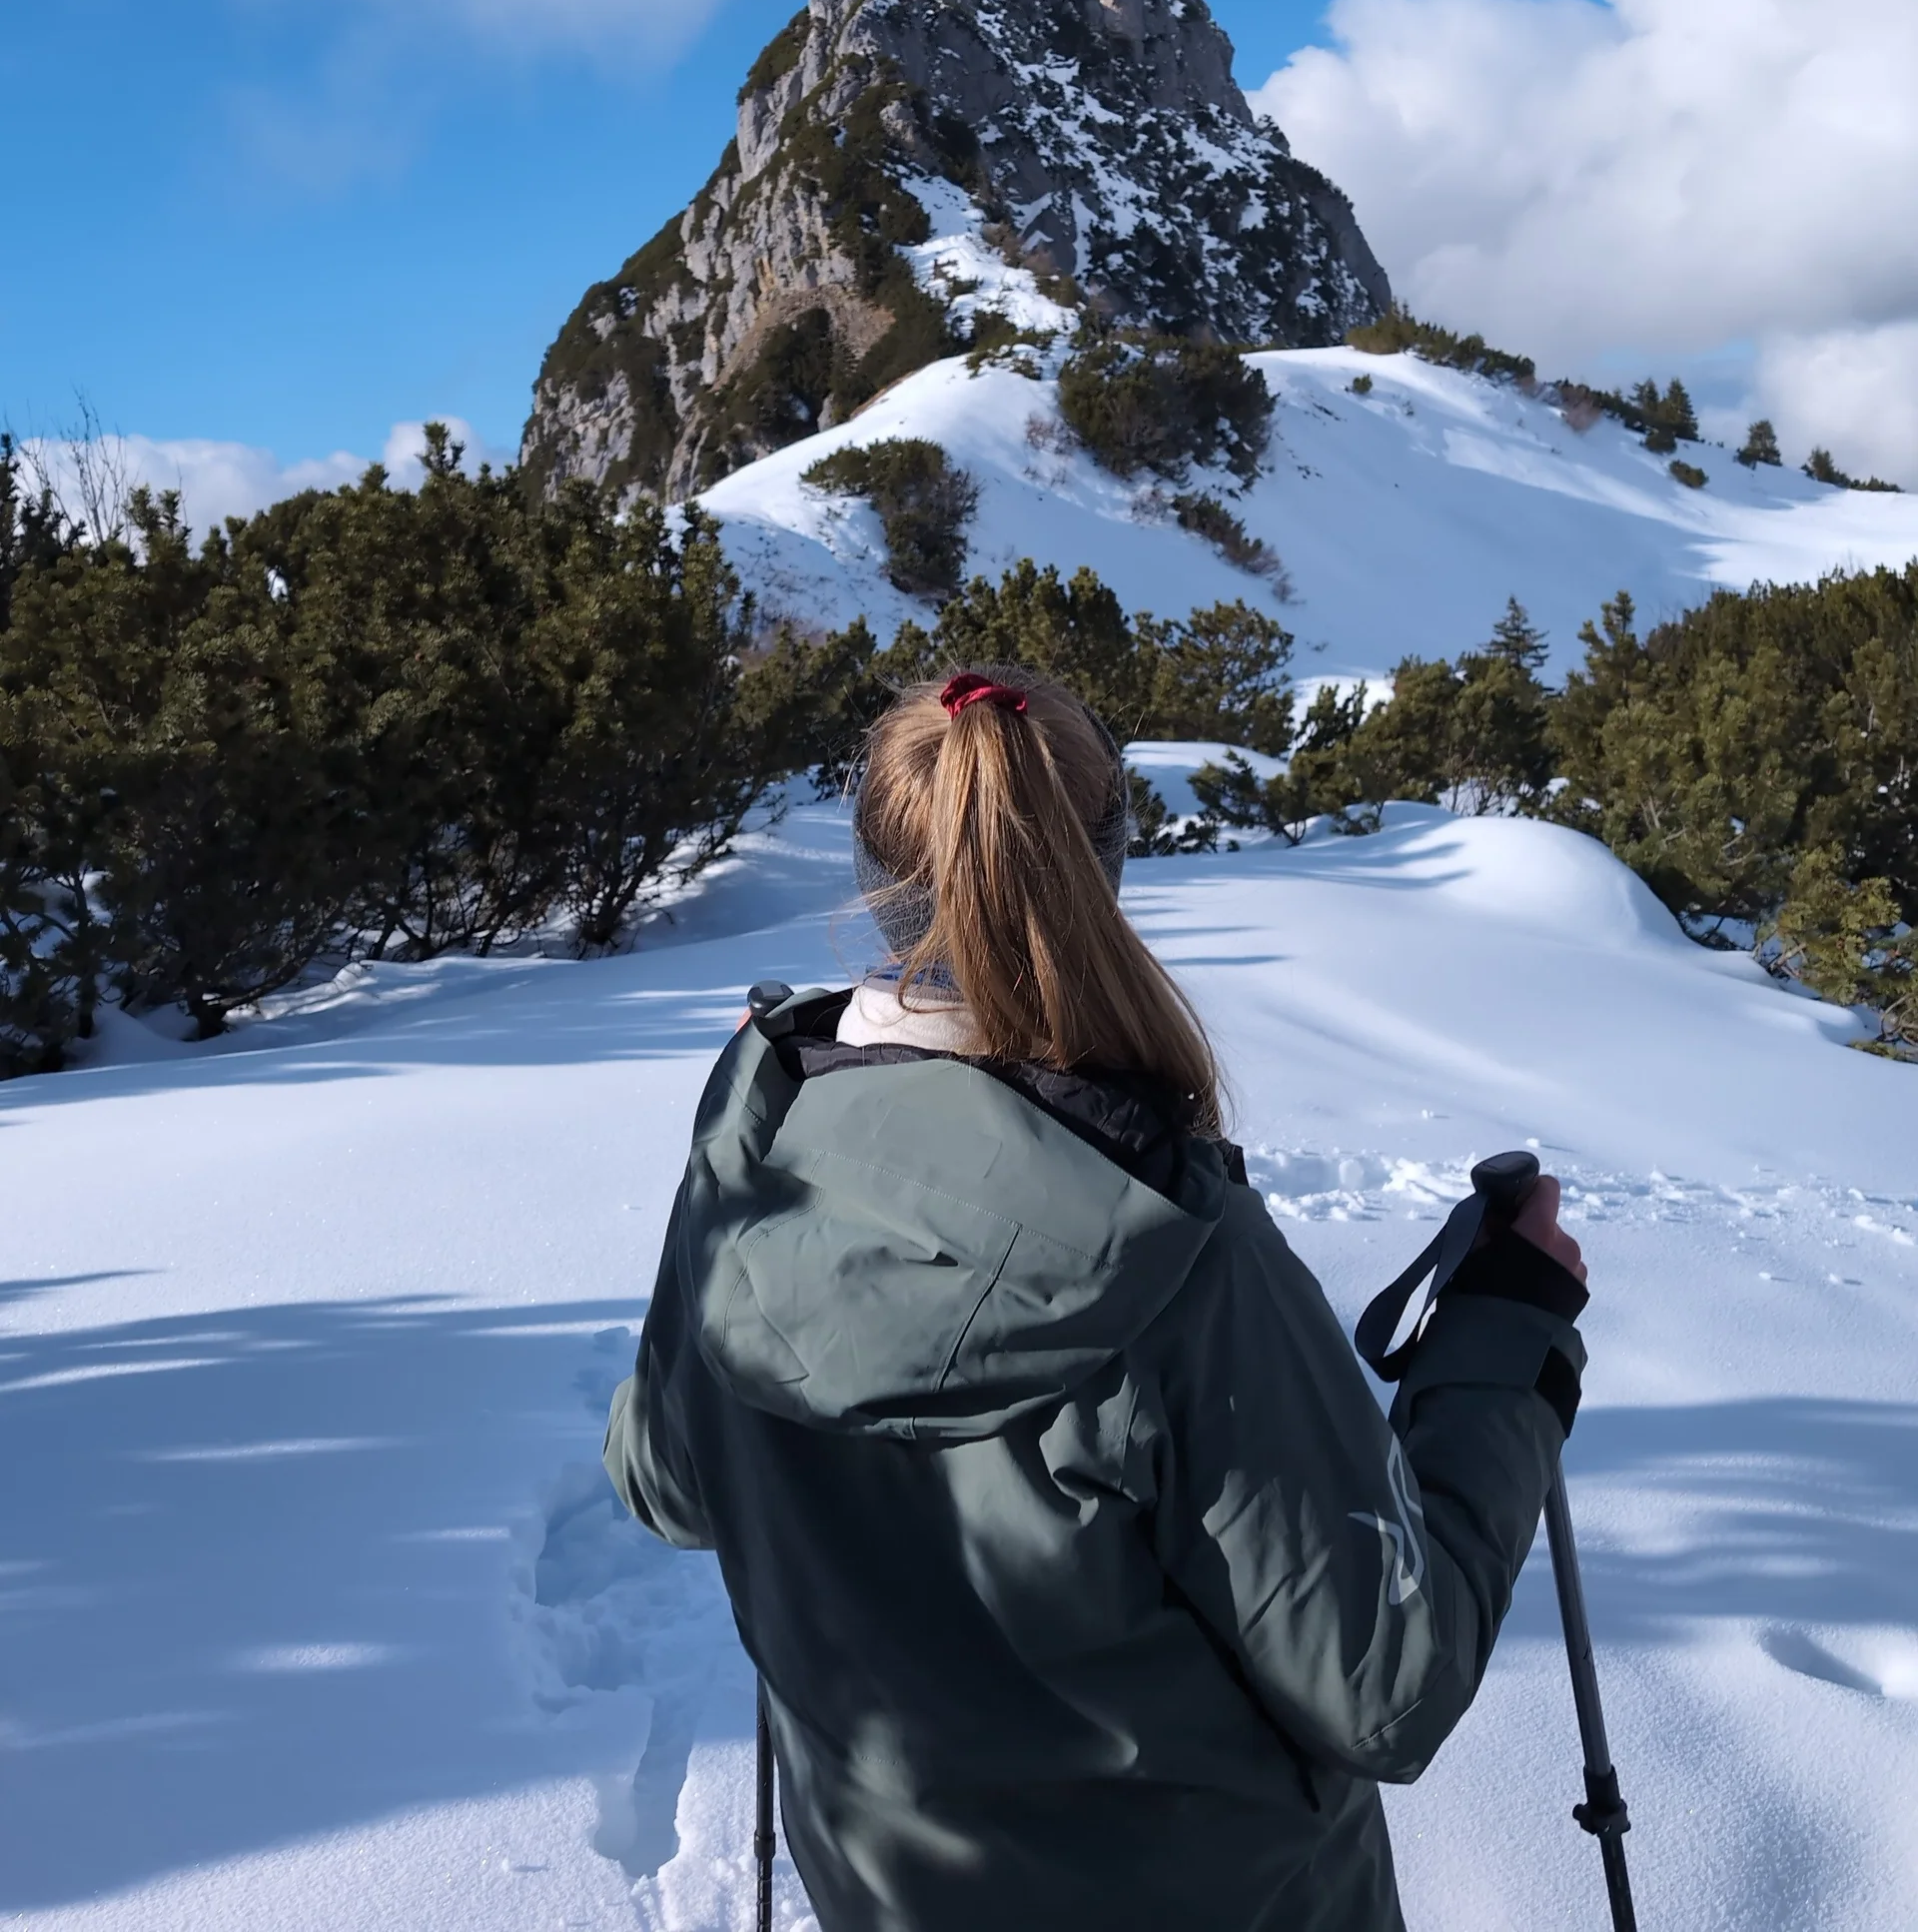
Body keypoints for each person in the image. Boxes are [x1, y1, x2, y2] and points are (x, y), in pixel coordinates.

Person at [604, 666, 1588, 1932]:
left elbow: (666, 1480)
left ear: (874, 877)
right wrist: (1499, 1352)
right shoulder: (1178, 1255)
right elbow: (1386, 1681)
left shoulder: (754, 1162)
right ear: (1105, 871)